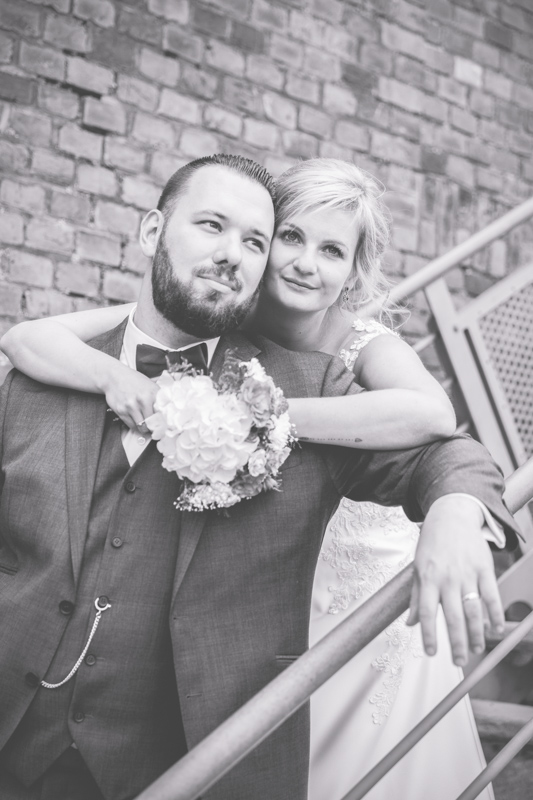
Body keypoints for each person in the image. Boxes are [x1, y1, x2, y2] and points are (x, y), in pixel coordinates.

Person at [0, 154, 519, 800]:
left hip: (186, 738)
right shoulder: (79, 363)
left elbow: (438, 434)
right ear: (152, 233)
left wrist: (454, 513)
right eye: (283, 240)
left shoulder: (327, 366)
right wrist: (113, 377)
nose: (292, 261)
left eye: (251, 239)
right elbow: (27, 338)